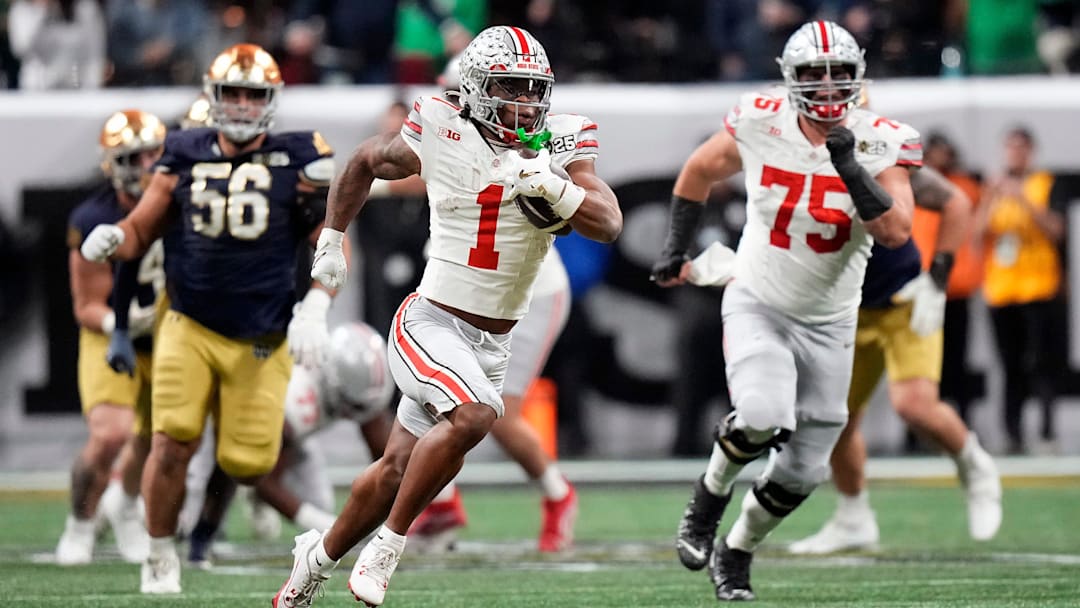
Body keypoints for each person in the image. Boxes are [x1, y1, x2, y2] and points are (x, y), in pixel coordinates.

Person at [272, 25, 621, 607]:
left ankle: (314, 562)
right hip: (430, 322)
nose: (526, 104)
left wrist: (557, 192)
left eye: (535, 90)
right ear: (479, 88)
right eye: (512, 89)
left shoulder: (561, 139)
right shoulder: (439, 124)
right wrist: (331, 240)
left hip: (492, 339)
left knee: (393, 471)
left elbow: (607, 223)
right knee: (478, 414)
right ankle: (388, 546)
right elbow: (363, 160)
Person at [652, 21, 917, 601]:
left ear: (858, 75)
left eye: (838, 73)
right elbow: (698, 170)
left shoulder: (880, 139)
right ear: (790, 78)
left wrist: (850, 167)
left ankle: (737, 549)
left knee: (805, 471)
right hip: (760, 299)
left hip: (831, 322)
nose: (826, 86)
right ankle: (709, 496)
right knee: (762, 410)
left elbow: (897, 231)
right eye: (813, 75)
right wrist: (676, 246)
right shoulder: (759, 118)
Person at [78, 43, 344, 594]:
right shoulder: (182, 150)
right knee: (172, 441)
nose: (243, 105)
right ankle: (158, 554)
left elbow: (334, 242)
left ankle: (216, 512)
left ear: (271, 100)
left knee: (248, 461)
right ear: (213, 95)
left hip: (265, 332)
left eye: (254, 95)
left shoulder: (303, 155)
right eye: (233, 93)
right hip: (190, 323)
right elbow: (142, 228)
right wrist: (116, 239)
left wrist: (317, 303)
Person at [785, 163, 1002, 554]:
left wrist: (938, 279)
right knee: (833, 420)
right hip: (845, 310)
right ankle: (853, 519)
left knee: (915, 407)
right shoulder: (789, 157)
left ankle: (974, 467)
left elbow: (956, 203)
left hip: (903, 301)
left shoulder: (881, 159)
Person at [178, 321, 395, 567]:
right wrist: (330, 526)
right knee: (188, 517)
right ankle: (196, 528)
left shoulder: (355, 385)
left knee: (319, 504)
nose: (358, 414)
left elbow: (386, 454)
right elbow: (261, 476)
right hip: (237, 423)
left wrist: (396, 517)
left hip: (291, 438)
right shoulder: (298, 395)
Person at [57, 109, 165, 565]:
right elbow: (86, 305)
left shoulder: (179, 202)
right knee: (110, 435)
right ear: (113, 162)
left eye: (151, 154)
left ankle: (123, 505)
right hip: (113, 337)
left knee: (159, 436)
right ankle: (80, 523)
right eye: (132, 157)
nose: (143, 165)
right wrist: (119, 326)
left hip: (166, 337)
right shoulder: (93, 216)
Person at [976, 127, 1066, 455]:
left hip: (1038, 288)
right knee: (1009, 365)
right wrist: (991, 197)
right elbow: (976, 234)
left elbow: (1057, 230)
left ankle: (1047, 431)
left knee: (1041, 364)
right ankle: (1012, 433)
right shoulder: (994, 187)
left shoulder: (1044, 184)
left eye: (1021, 148)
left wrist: (1022, 198)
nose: (1015, 154)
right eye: (1010, 148)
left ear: (1031, 151)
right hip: (1002, 290)